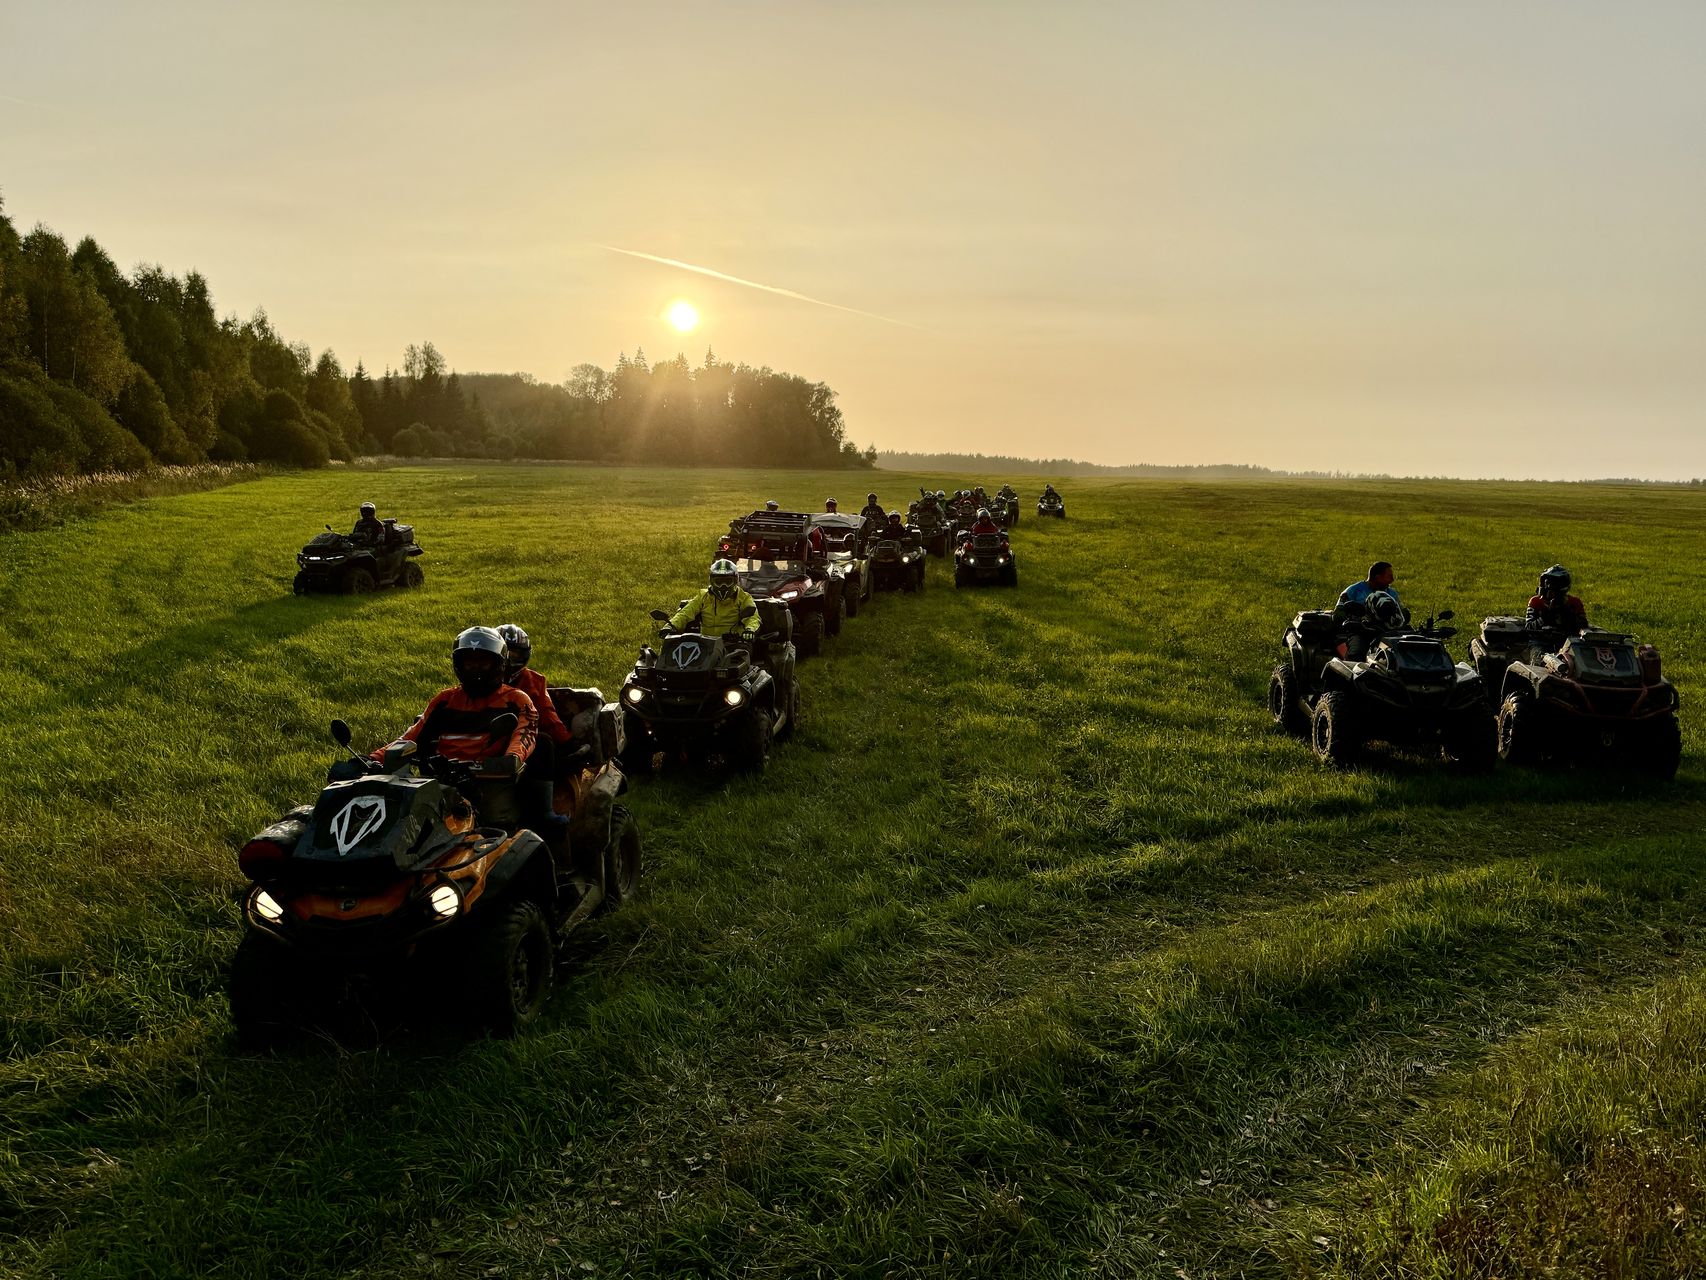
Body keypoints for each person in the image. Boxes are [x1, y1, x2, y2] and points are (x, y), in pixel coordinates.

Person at [374, 626, 539, 827]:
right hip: (438, 783)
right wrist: (372, 759)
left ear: (499, 664)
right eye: (469, 663)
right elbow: (411, 736)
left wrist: (511, 758)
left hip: (488, 784)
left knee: (501, 828)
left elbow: (525, 734)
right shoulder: (445, 700)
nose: (475, 669)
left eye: (483, 663)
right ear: (459, 665)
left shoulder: (516, 700)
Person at [670, 559, 761, 640]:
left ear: (735, 580)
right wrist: (671, 625)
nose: (723, 586)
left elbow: (753, 618)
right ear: (712, 581)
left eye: (728, 581)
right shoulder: (703, 596)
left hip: (733, 642)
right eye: (719, 582)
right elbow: (685, 613)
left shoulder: (743, 597)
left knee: (743, 652)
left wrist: (750, 630)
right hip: (706, 644)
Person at [1526, 564, 1588, 634]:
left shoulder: (1574, 602)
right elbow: (1529, 627)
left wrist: (1565, 611)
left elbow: (1583, 626)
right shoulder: (1536, 601)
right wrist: (1546, 617)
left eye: (1554, 584)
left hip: (1568, 637)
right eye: (1548, 583)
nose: (1549, 586)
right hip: (1540, 638)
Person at [1335, 561, 1401, 621]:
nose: (1392, 580)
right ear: (1378, 577)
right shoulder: (1353, 591)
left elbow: (1402, 613)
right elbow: (1338, 613)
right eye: (1389, 577)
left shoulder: (1392, 593)